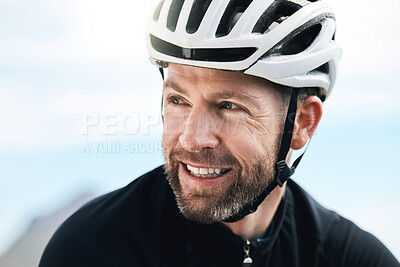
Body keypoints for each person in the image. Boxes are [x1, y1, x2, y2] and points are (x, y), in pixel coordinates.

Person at [40, 0, 399, 266]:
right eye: (178, 100)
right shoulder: (93, 250)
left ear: (302, 124)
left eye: (229, 106)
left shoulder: (353, 259)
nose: (192, 139)